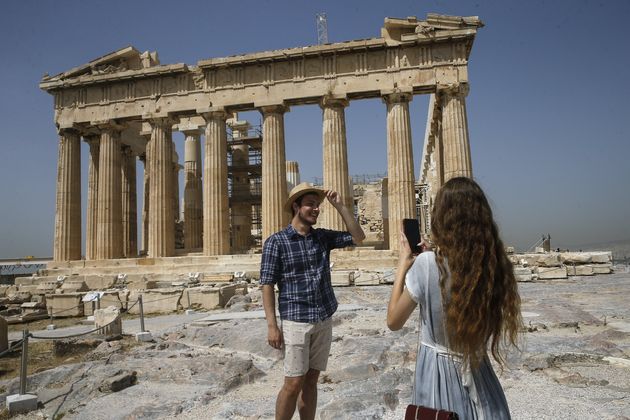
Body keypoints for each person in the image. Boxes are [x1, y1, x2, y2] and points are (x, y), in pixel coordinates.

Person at [387, 177, 522, 420]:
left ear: (442, 217)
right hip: (481, 377)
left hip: (437, 378)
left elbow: (393, 322)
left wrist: (403, 265)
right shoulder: (493, 266)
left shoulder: (427, 266)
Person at [260, 182, 365, 420]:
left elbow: (358, 237)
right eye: (310, 204)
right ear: (296, 207)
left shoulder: (322, 238)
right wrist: (272, 325)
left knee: (312, 380)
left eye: (317, 205)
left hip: (323, 318)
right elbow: (267, 284)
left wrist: (340, 206)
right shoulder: (277, 242)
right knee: (293, 382)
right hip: (296, 320)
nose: (315, 209)